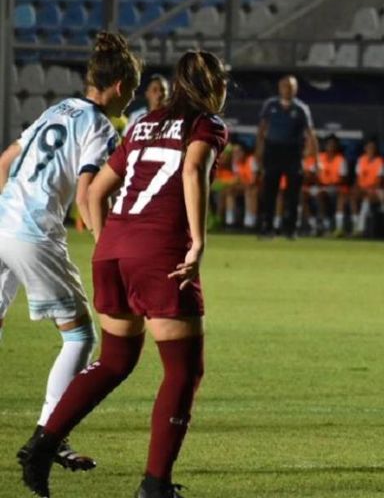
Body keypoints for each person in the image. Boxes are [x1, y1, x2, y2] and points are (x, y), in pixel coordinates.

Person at [19, 50, 229, 498]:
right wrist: (198, 240)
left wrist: (108, 242)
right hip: (160, 253)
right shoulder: (205, 124)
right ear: (212, 85)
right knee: (182, 370)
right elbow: (192, 168)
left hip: (113, 250)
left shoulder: (142, 123)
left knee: (115, 360)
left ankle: (43, 442)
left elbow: (94, 193)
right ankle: (155, 486)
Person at [0, 32, 140, 478]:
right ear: (120, 88)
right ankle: (49, 434)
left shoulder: (55, 109)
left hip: (1, 221)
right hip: (34, 234)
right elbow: (86, 195)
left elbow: (4, 161)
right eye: (131, 93)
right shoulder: (99, 126)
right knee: (80, 337)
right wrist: (108, 248)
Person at [255, 74, 318, 239]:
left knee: (293, 194)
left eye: (291, 86)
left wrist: (313, 157)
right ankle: (267, 228)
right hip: (273, 151)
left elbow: (310, 133)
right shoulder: (270, 105)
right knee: (270, 192)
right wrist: (259, 153)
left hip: (293, 152)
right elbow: (261, 130)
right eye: (285, 86)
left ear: (296, 89)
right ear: (279, 88)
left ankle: (290, 229)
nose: (288, 89)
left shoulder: (301, 108)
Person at [305, 135, 348, 237]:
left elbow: (343, 179)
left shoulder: (341, 159)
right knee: (303, 195)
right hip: (321, 187)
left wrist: (328, 184)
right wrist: (313, 179)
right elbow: (310, 175)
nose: (331, 147)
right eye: (329, 145)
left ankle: (336, 227)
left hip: (335, 187)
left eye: (333, 145)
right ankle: (314, 225)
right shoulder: (319, 157)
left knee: (325, 193)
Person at [350, 138, 384, 237]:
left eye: (372, 148)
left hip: (376, 190)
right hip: (363, 189)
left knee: (367, 199)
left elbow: (379, 181)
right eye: (369, 147)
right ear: (365, 148)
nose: (370, 150)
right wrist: (357, 189)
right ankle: (355, 225)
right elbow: (357, 179)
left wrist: (370, 190)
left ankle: (361, 229)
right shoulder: (361, 160)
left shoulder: (379, 161)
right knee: (353, 198)